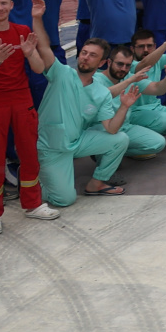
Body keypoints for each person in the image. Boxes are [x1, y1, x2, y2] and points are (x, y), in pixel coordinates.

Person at [0, 0, 58, 232]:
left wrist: (29, 54)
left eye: (3, 3)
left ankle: (33, 204)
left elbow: (38, 69)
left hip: (21, 99)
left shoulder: (22, 31)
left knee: (29, 154)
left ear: (11, 5)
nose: (0, 8)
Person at [28, 29, 136, 207]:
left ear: (102, 63)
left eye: (92, 55)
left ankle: (96, 183)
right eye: (84, 53)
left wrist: (124, 106)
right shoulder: (61, 73)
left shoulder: (101, 92)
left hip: (76, 142)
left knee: (120, 139)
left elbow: (111, 129)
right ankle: (31, 181)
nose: (85, 57)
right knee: (65, 199)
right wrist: (37, 18)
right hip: (51, 148)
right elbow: (45, 47)